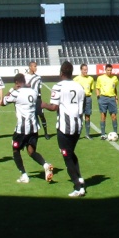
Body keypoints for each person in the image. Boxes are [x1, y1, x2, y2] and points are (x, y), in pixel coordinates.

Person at [42, 61, 87, 197]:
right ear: (72, 73)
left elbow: (54, 107)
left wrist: (43, 104)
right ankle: (79, 178)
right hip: (78, 125)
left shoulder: (58, 86)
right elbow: (83, 107)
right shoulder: (79, 86)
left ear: (61, 73)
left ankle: (78, 187)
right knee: (71, 152)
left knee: (66, 155)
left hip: (64, 127)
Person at [3, 73, 54, 184]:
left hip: (21, 129)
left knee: (15, 150)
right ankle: (45, 165)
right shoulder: (33, 92)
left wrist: (11, 89)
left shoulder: (16, 93)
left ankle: (24, 175)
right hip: (34, 128)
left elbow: (2, 102)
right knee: (31, 151)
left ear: (16, 82)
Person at [25, 61, 50, 139]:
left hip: (37, 99)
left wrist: (40, 99)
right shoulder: (25, 77)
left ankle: (46, 132)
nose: (36, 68)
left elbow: (39, 89)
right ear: (30, 67)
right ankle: (33, 133)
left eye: (36, 66)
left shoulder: (38, 77)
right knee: (30, 116)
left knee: (41, 115)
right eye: (34, 66)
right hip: (29, 100)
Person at [96, 63, 119, 140]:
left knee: (114, 116)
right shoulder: (100, 78)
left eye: (110, 70)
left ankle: (115, 133)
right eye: (108, 70)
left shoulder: (115, 78)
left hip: (112, 98)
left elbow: (115, 88)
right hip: (103, 98)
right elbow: (97, 88)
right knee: (103, 116)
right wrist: (98, 97)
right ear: (105, 70)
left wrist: (116, 97)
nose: (109, 71)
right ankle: (103, 134)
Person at [74, 63, 95, 139]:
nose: (86, 71)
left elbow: (91, 89)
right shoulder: (76, 79)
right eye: (84, 70)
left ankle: (87, 134)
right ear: (81, 70)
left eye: (87, 69)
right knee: (78, 116)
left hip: (88, 98)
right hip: (79, 99)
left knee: (88, 116)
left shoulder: (91, 79)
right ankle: (77, 134)